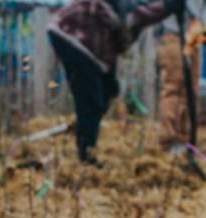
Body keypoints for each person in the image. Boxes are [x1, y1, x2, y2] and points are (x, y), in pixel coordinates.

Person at [48, 0, 186, 165]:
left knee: (108, 90)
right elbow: (137, 16)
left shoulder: (119, 16)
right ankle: (86, 157)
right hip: (74, 36)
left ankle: (85, 130)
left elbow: (115, 39)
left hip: (83, 39)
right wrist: (166, 8)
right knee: (91, 103)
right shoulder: (129, 9)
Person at [154, 0, 206, 152]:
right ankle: (168, 141)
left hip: (195, 36)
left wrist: (204, 26)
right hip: (173, 34)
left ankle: (185, 141)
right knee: (173, 88)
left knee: (191, 91)